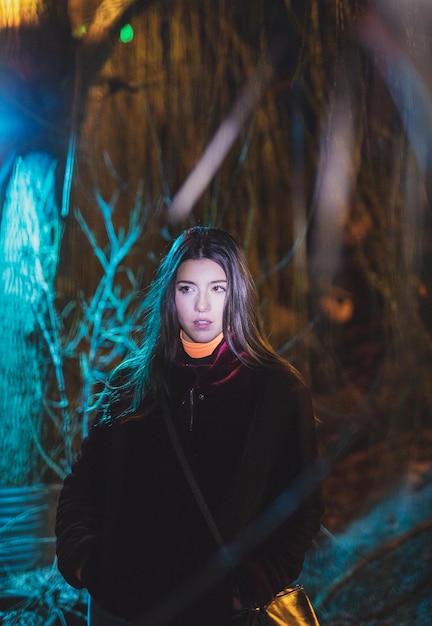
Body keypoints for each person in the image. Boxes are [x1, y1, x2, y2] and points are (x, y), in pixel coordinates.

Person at [55, 226, 323, 626]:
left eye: (217, 288)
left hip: (223, 612)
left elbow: (302, 506)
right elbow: (83, 486)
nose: (202, 306)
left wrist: (253, 583)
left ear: (237, 294)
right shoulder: (131, 385)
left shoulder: (277, 390)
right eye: (187, 289)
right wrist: (87, 563)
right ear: (170, 296)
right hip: (128, 608)